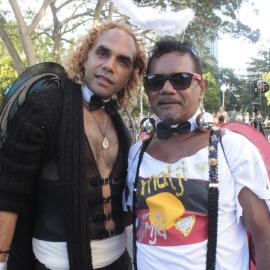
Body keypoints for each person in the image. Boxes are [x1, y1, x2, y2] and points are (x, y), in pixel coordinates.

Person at [0, 22, 146, 270]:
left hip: (119, 262)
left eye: (123, 61)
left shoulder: (118, 120)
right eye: (102, 52)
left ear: (131, 74)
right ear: (86, 55)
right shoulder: (44, 108)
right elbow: (8, 195)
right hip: (53, 263)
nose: (109, 66)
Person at [126, 39, 270, 269]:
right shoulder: (136, 153)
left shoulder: (232, 149)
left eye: (180, 79)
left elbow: (264, 235)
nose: (167, 88)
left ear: (201, 87)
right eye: (156, 81)